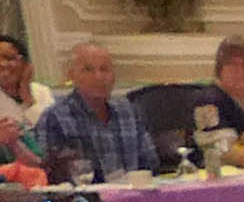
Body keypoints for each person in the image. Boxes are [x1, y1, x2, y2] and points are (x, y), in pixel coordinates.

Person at [31, 42, 156, 179]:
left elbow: (150, 162)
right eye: (88, 70)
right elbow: (45, 171)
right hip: (83, 192)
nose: (98, 77)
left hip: (132, 190)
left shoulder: (128, 112)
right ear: (71, 76)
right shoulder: (55, 117)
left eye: (104, 69)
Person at [0, 32, 38, 160]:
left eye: (8, 58)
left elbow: (41, 129)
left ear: (24, 63)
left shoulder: (41, 91)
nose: (2, 64)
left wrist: (25, 90)